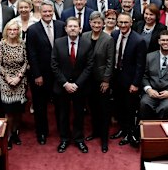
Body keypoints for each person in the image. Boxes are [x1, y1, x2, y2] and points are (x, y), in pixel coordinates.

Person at [26, 0, 66, 145]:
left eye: (50, 11)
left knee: (60, 105)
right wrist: (37, 75)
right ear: (40, 13)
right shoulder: (32, 29)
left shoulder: (61, 26)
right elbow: (31, 54)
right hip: (41, 75)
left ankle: (63, 132)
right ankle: (42, 132)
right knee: (40, 106)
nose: (48, 14)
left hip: (59, 75)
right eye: (45, 12)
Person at [51, 17, 93, 153]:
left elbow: (89, 66)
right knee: (63, 114)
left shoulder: (87, 44)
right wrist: (65, 83)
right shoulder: (58, 43)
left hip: (80, 87)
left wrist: (77, 84)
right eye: (70, 26)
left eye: (76, 26)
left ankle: (79, 139)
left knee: (79, 114)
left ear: (80, 29)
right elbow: (54, 65)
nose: (73, 28)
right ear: (66, 29)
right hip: (62, 87)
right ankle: (64, 139)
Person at [110, 13, 146, 147]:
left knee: (129, 108)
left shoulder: (139, 40)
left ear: (131, 23)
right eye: (120, 22)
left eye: (126, 22)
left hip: (130, 81)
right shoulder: (113, 35)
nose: (123, 25)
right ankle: (122, 129)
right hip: (116, 78)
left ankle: (129, 133)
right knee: (119, 106)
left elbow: (140, 65)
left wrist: (135, 83)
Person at [82, 11, 115, 153]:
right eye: (94, 22)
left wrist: (106, 80)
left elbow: (110, 61)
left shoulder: (108, 39)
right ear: (90, 23)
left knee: (103, 109)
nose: (96, 25)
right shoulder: (84, 36)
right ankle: (95, 132)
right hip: (87, 79)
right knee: (92, 107)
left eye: (99, 22)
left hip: (101, 80)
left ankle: (104, 139)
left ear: (103, 24)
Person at [0, 20, 29, 149]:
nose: (12, 32)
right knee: (9, 111)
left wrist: (18, 77)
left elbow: (26, 62)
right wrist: (8, 78)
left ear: (18, 31)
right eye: (10, 29)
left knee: (18, 110)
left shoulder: (23, 44)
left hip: (20, 81)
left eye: (15, 30)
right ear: (6, 31)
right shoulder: (1, 45)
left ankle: (15, 132)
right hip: (6, 81)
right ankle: (8, 135)